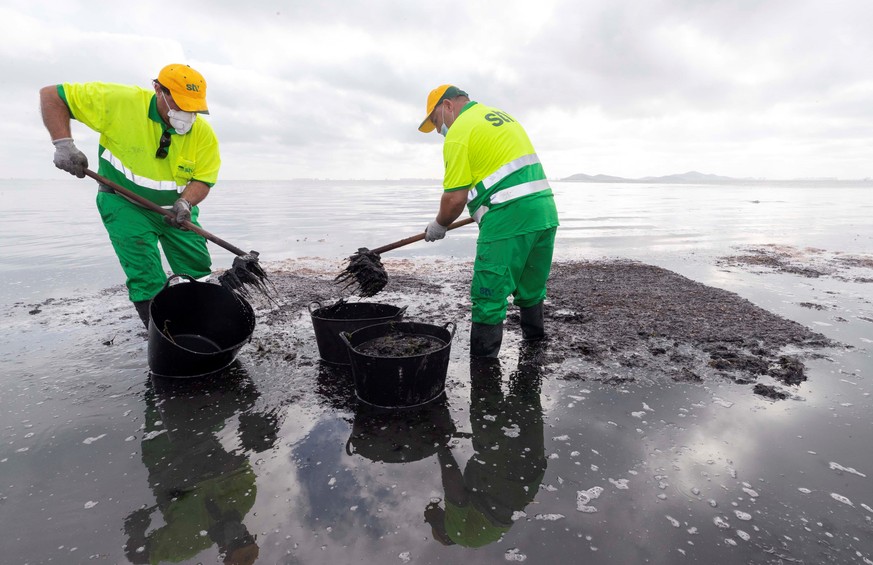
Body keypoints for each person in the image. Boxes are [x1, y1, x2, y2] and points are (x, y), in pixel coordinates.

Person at [39, 64, 221, 328]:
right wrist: (63, 144)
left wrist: (185, 202)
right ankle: (162, 335)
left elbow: (203, 179)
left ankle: (201, 322)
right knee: (145, 274)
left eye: (193, 108)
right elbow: (51, 95)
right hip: (124, 203)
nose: (186, 114)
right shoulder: (120, 101)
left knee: (197, 265)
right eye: (180, 104)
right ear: (158, 90)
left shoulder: (202, 133)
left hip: (175, 210)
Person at [419, 85, 559, 358]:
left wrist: (439, 225)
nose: (439, 131)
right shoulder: (499, 116)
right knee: (531, 289)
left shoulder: (459, 132)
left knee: (488, 297)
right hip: (544, 212)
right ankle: (535, 351)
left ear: (447, 106)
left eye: (436, 122)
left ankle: (484, 379)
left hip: (508, 217)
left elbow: (454, 200)